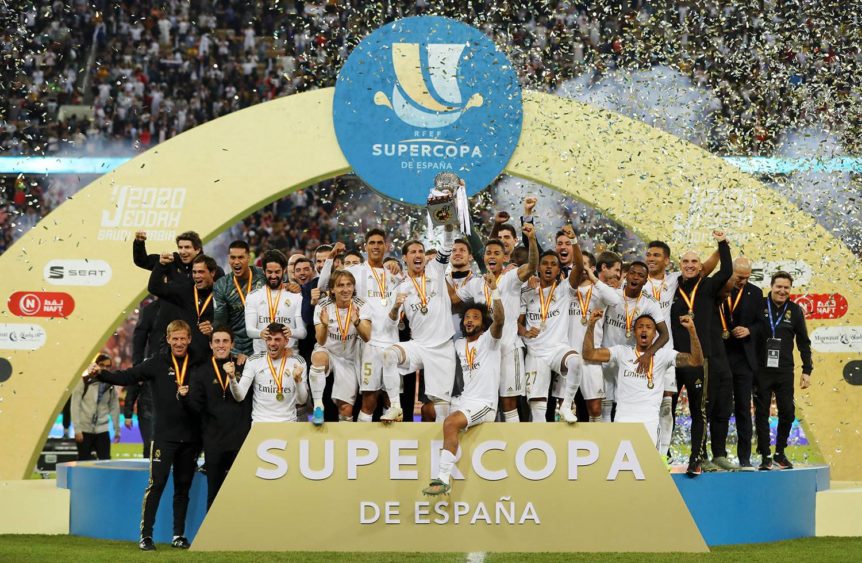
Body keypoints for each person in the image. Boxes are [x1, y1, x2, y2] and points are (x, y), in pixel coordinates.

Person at [84, 320, 202, 551]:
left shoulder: (198, 362)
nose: (179, 343)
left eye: (182, 338)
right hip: (164, 437)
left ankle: (178, 535)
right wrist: (102, 375)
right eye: (175, 338)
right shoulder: (156, 363)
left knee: (183, 488)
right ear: (168, 339)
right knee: (156, 485)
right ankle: (146, 536)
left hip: (191, 437)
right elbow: (127, 376)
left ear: (189, 339)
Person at [450, 223, 538, 422]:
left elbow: (532, 266)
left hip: (508, 348)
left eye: (497, 253)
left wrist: (532, 239)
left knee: (509, 404)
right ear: (483, 258)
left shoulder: (511, 279)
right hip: (485, 352)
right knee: (483, 401)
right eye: (488, 252)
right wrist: (440, 273)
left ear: (505, 258)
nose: (491, 256)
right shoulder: (475, 284)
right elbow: (454, 300)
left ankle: (512, 440)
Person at [422, 288, 504, 495]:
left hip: (484, 404)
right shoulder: (458, 344)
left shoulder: (490, 341)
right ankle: (438, 452)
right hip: (464, 400)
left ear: (483, 323)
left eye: (475, 317)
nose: (469, 320)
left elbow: (500, 321)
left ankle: (443, 479)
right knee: (427, 410)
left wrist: (495, 292)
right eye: (467, 317)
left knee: (450, 423)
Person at [582, 312, 703, 448]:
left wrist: (692, 331)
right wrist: (591, 325)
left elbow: (696, 361)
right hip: (623, 421)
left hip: (649, 423)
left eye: (648, 327)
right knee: (621, 461)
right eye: (640, 327)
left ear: (655, 334)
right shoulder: (621, 352)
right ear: (634, 332)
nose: (644, 330)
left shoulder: (664, 355)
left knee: (647, 462)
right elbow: (588, 354)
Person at [319, 230, 400, 423]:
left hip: (392, 341)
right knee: (369, 400)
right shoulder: (355, 271)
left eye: (380, 242)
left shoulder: (394, 276)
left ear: (386, 246)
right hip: (368, 342)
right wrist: (330, 258)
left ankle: (389, 440)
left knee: (391, 400)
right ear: (365, 247)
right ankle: (364, 439)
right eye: (372, 242)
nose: (376, 246)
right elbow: (323, 285)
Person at [669, 230, 732, 476]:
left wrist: (722, 243)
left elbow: (726, 271)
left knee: (699, 410)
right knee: (667, 408)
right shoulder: (671, 288)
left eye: (694, 261)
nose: (690, 265)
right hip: (673, 359)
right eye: (685, 261)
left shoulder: (707, 286)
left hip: (698, 359)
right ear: (680, 265)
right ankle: (663, 453)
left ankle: (696, 458)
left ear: (700, 266)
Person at [381, 223, 458, 422]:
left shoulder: (436, 269)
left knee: (441, 409)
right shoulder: (400, 287)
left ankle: (442, 439)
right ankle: (395, 408)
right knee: (389, 355)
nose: (418, 255)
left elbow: (447, 246)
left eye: (421, 252)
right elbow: (389, 325)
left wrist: (448, 227)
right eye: (413, 252)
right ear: (404, 258)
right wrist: (395, 308)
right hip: (419, 345)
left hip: (443, 347)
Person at [182, 326, 251, 509]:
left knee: (241, 494)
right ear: (211, 345)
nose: (221, 345)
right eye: (217, 341)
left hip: (240, 442)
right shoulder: (201, 371)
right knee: (214, 494)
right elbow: (196, 408)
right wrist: (184, 398)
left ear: (232, 344)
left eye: (225, 341)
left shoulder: (244, 366)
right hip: (214, 443)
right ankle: (212, 529)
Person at [592, 260, 669, 423]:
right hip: (607, 354)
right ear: (626, 276)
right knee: (604, 405)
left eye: (640, 275)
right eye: (632, 273)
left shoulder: (650, 303)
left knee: (626, 405)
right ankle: (606, 439)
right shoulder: (613, 295)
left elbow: (664, 335)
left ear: (646, 280)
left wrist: (648, 354)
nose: (635, 277)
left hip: (630, 361)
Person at [753, 271, 812, 470]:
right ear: (771, 286)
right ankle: (765, 455)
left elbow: (803, 342)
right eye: (779, 286)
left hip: (785, 370)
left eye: (786, 287)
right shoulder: (759, 306)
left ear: (790, 289)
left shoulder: (795, 310)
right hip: (761, 369)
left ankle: (779, 452)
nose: (782, 291)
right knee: (761, 413)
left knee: (787, 412)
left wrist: (807, 370)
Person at [518, 247, 582, 424]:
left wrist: (574, 242)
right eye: (545, 263)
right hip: (535, 353)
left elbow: (579, 267)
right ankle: (539, 439)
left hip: (557, 349)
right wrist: (525, 332)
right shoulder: (527, 291)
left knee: (576, 362)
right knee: (538, 409)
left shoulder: (564, 290)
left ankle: (566, 406)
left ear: (559, 270)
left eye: (553, 264)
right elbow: (517, 322)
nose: (548, 267)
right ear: (538, 267)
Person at [311, 270, 372, 423]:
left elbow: (367, 337)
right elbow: (321, 341)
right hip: (328, 351)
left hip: (349, 358)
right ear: (332, 289)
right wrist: (325, 325)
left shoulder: (362, 305)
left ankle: (346, 436)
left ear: (353, 287)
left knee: (346, 409)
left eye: (349, 285)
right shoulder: (323, 306)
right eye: (340, 285)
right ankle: (318, 406)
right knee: (318, 357)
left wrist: (357, 322)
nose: (345, 289)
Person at [720, 257, 762, 470]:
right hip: (721, 356)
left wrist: (749, 330)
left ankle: (745, 458)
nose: (742, 281)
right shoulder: (718, 288)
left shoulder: (756, 293)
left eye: (746, 277)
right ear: (731, 272)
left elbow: (762, 324)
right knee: (720, 408)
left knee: (744, 409)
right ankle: (718, 455)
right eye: (739, 277)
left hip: (744, 360)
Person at [229, 323, 308, 422]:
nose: (272, 343)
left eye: (277, 339)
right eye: (269, 339)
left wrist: (298, 380)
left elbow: (302, 400)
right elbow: (239, 396)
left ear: (286, 341)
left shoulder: (298, 362)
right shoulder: (254, 360)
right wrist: (232, 378)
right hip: (260, 422)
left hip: (288, 422)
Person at [148, 253, 218, 358]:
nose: (196, 276)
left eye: (201, 272)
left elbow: (232, 325)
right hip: (186, 358)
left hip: (211, 357)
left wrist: (213, 330)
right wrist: (161, 265)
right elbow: (154, 288)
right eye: (194, 272)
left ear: (212, 273)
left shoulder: (223, 294)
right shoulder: (184, 290)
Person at [245, 250, 305, 355]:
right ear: (263, 271)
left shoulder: (296, 296)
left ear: (284, 270)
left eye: (277, 272)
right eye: (269, 272)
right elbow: (249, 331)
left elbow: (303, 332)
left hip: (289, 355)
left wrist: (292, 332)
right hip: (261, 355)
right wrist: (260, 333)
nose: (273, 276)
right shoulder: (253, 296)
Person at [212, 240, 265, 355]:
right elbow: (220, 324)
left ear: (248, 258)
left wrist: (292, 287)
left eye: (241, 257)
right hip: (237, 350)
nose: (236, 262)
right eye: (233, 258)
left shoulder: (264, 276)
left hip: (265, 346)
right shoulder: (222, 285)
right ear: (228, 258)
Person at [126, 297, 159, 458]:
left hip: (161, 409)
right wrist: (127, 414)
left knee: (159, 443)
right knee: (149, 444)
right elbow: (132, 388)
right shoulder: (142, 367)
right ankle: (149, 469)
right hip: (146, 409)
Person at [71, 354, 121, 460]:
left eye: (108, 366)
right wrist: (77, 429)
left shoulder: (110, 385)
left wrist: (117, 430)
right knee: (83, 463)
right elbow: (75, 405)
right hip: (84, 430)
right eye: (102, 365)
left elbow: (114, 407)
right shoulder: (84, 382)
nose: (105, 368)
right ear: (96, 365)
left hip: (102, 429)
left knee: (106, 462)